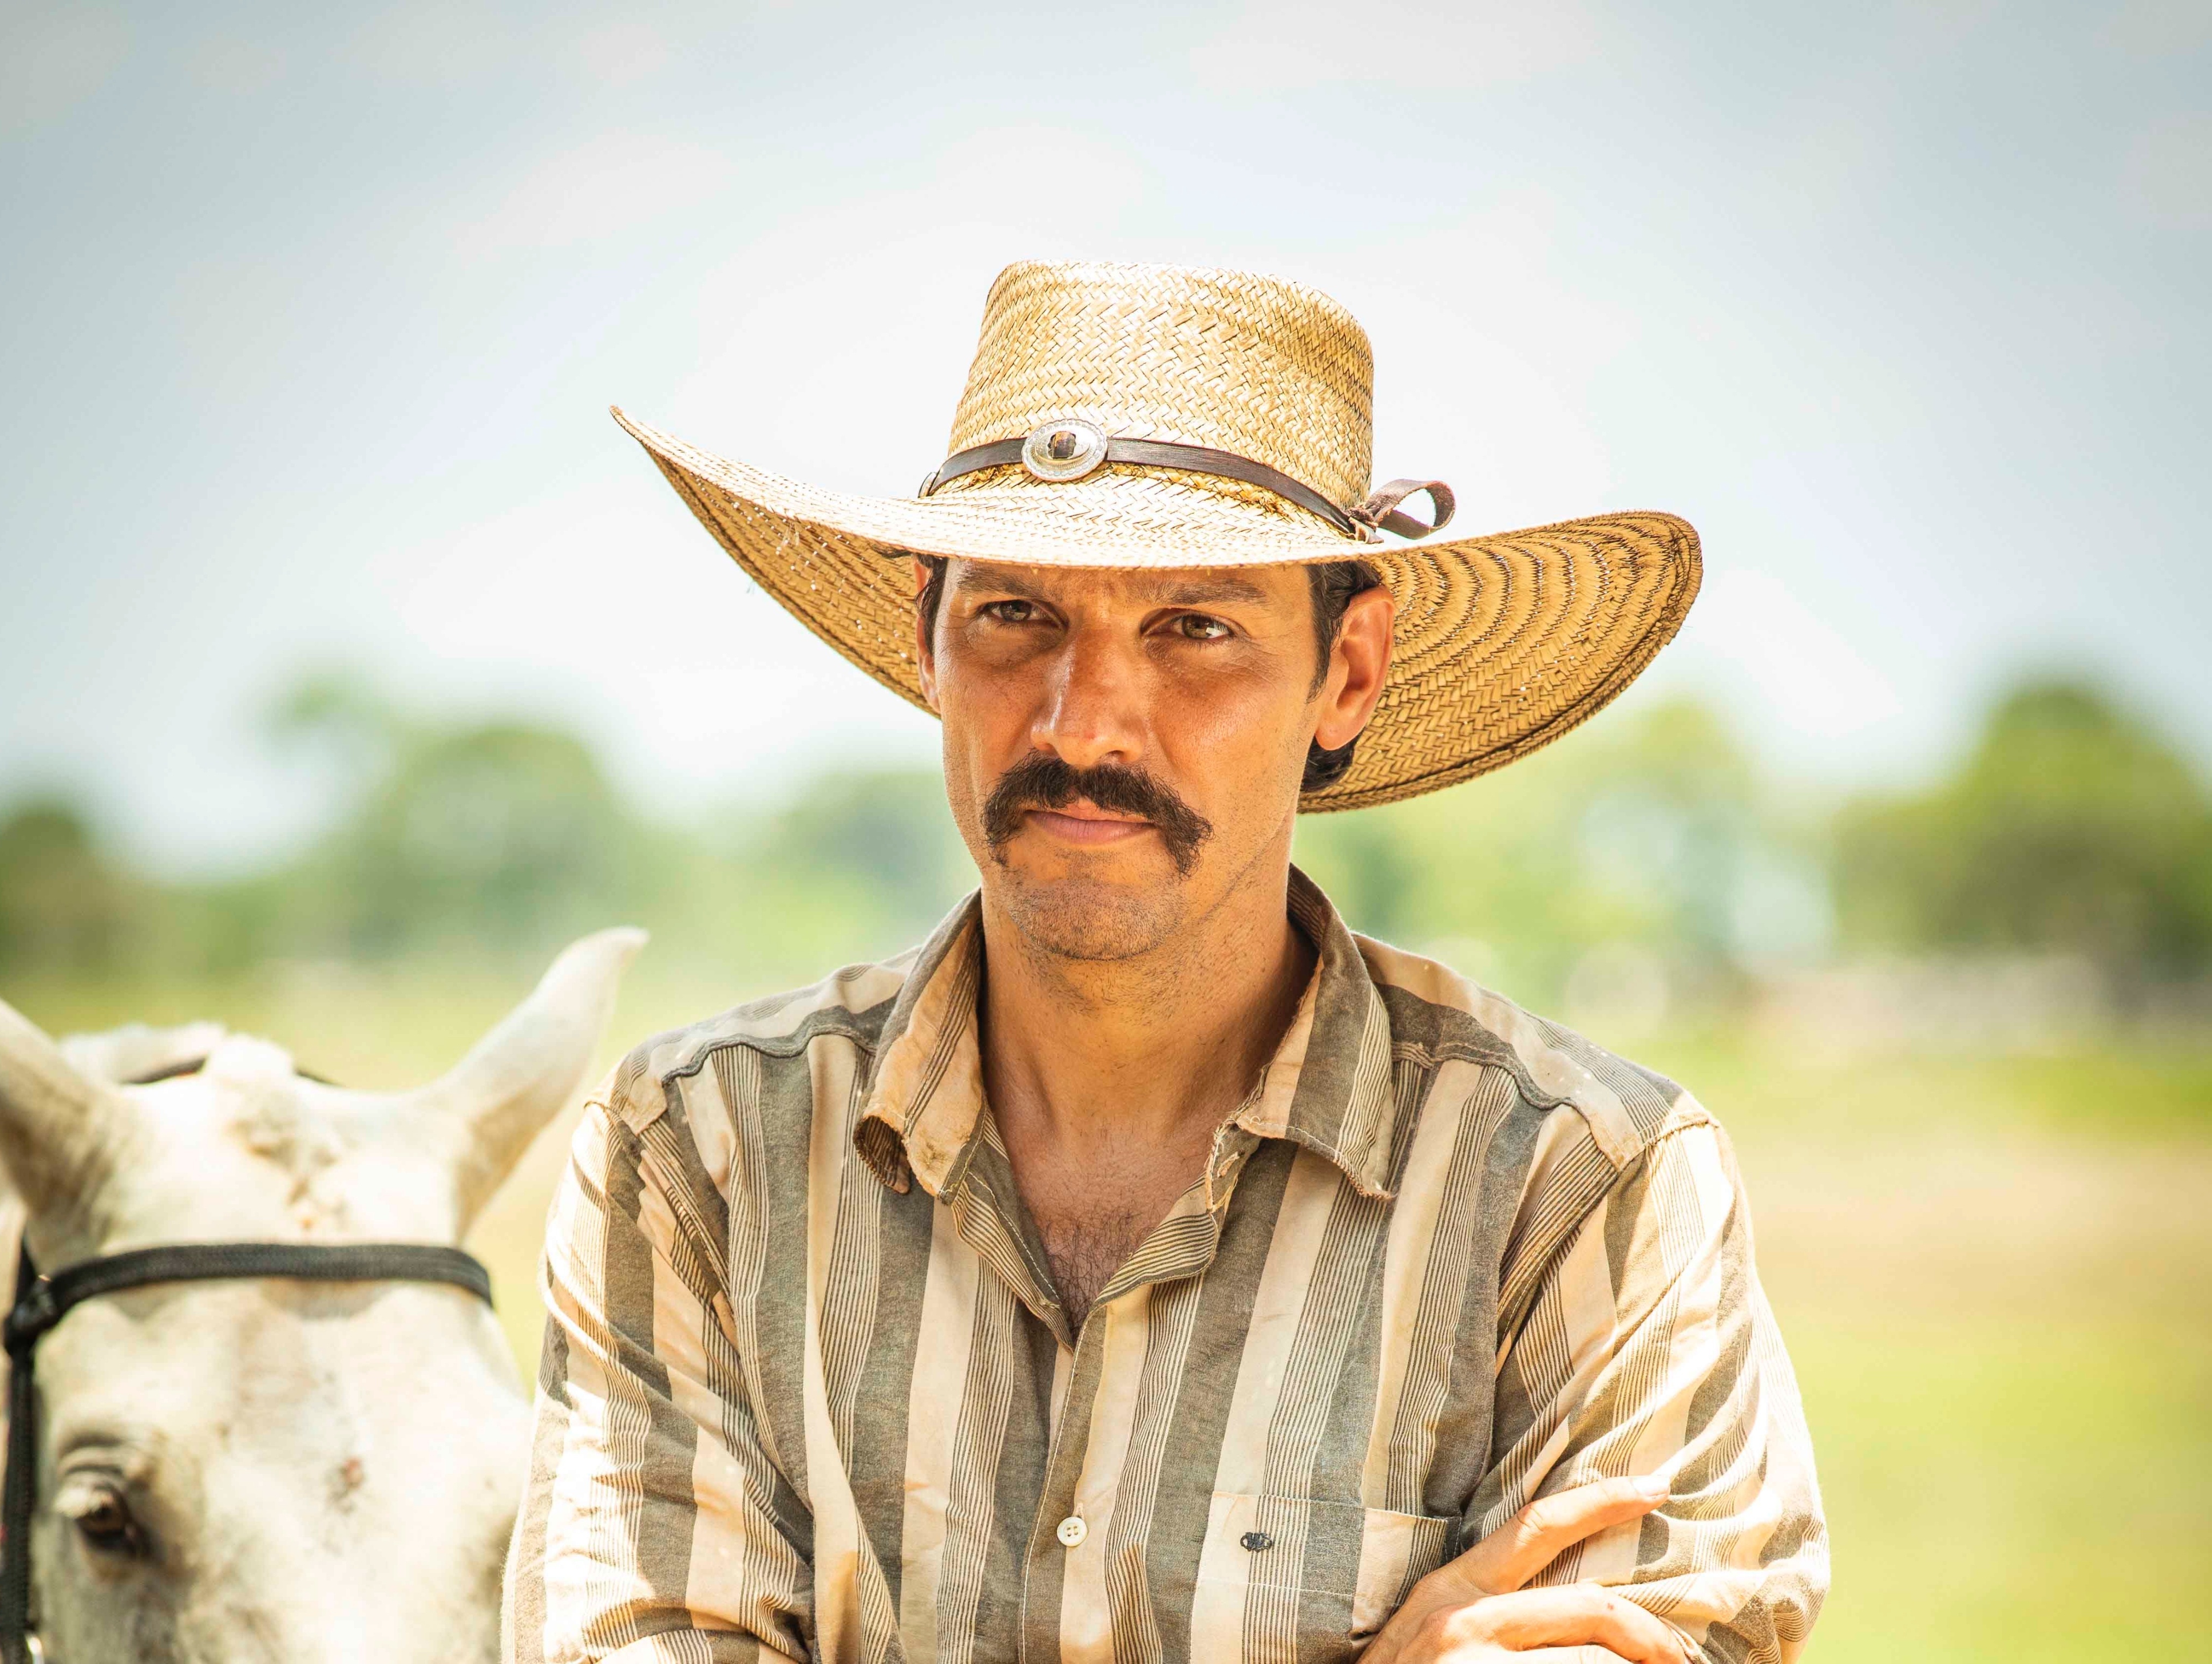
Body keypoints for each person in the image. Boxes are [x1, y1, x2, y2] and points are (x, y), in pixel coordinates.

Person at [504, 261, 1826, 1664]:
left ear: (1350, 674)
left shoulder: (1581, 1188)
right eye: (1017, 616)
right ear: (925, 635)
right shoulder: (702, 1157)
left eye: (1197, 630)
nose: (1088, 726)